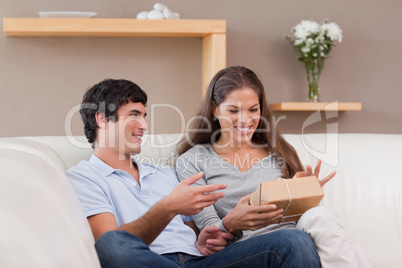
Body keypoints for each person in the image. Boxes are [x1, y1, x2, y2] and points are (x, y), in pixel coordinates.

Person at [66, 78, 321, 268]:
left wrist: (208, 238)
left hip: (201, 263)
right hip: (152, 262)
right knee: (112, 244)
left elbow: (197, 236)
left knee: (293, 240)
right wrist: (167, 208)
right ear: (102, 119)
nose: (144, 125)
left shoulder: (164, 173)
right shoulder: (83, 178)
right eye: (134, 116)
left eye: (144, 116)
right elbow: (109, 246)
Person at [176, 66, 372, 268]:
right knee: (320, 246)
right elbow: (210, 233)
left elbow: (304, 218)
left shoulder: (279, 152)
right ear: (215, 108)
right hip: (249, 249)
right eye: (233, 110)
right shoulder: (193, 160)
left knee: (320, 215)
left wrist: (306, 194)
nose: (245, 120)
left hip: (299, 239)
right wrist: (232, 222)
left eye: (253, 109)